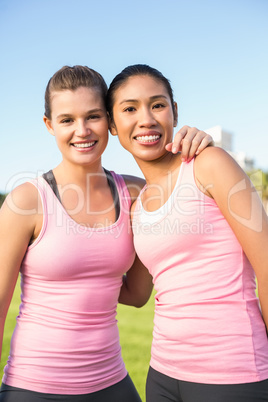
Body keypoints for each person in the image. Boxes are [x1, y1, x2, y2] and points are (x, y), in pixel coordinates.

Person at [0, 65, 212, 402]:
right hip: (34, 386)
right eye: (67, 119)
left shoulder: (135, 193)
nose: (81, 130)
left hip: (112, 383)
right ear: (49, 125)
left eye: (93, 116)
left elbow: (138, 294)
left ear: (110, 123)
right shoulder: (27, 199)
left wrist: (197, 144)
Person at [107, 64, 268, 402]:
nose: (147, 118)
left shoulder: (210, 164)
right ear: (112, 125)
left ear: (174, 112)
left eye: (158, 104)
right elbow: (137, 294)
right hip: (163, 375)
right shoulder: (138, 206)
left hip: (233, 375)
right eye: (130, 109)